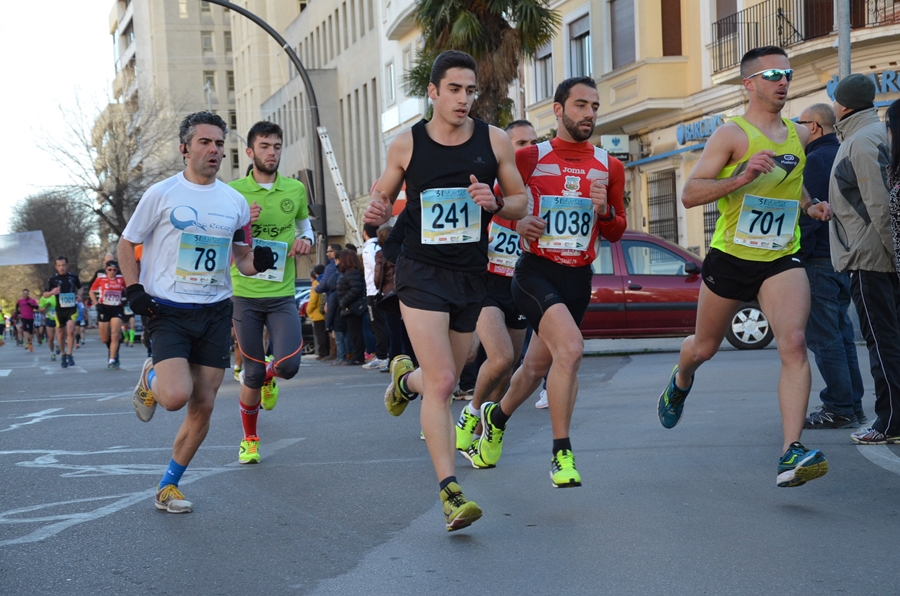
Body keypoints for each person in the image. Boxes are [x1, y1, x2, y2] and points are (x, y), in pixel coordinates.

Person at [364, 49, 527, 532]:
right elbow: (381, 198)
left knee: (446, 377)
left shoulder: (494, 141)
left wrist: (496, 201)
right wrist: (377, 212)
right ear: (433, 92)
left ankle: (401, 380)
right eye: (453, 89)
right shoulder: (406, 145)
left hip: (469, 275)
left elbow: (520, 201)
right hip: (420, 270)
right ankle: (451, 492)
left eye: (470, 90)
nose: (463, 99)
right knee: (441, 384)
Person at [656, 46, 832, 488]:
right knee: (704, 348)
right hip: (732, 258)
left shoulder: (798, 134)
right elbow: (691, 194)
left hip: (780, 256)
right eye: (773, 74)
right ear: (748, 83)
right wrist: (741, 177)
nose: (783, 81)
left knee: (793, 343)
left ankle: (791, 452)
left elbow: (792, 187)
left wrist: (810, 207)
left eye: (788, 74)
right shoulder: (731, 134)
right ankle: (681, 379)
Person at [463, 78, 626, 489]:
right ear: (558, 110)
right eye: (580, 105)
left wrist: (605, 212)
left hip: (578, 278)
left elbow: (618, 231)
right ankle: (561, 454)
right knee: (570, 350)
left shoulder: (611, 165)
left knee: (536, 366)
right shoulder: (531, 157)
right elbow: (494, 205)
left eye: (594, 106)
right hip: (535, 272)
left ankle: (495, 419)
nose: (589, 113)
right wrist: (518, 222)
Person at [117, 111, 274, 513]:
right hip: (166, 309)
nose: (214, 150)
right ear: (185, 148)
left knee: (203, 403)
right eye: (205, 142)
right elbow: (126, 243)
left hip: (215, 310)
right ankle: (151, 377)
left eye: (220, 144)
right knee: (174, 397)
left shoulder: (235, 203)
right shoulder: (161, 194)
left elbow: (241, 260)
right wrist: (134, 290)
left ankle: (169, 486)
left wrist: (261, 259)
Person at [229, 120, 312, 464]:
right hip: (244, 293)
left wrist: (308, 240)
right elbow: (220, 238)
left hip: (281, 293)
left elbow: (304, 225)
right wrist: (240, 220)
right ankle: (250, 439)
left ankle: (270, 378)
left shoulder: (294, 189)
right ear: (250, 152)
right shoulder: (232, 192)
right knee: (249, 372)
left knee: (289, 365)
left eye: (277, 146)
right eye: (264, 146)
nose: (271, 152)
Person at [455, 120, 537, 455]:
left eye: (533, 142)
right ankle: (469, 414)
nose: (527, 149)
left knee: (507, 370)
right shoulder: (486, 185)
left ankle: (481, 433)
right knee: (499, 357)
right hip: (484, 284)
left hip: (518, 284)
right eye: (520, 143)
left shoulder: (539, 189)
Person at [829, 75, 900, 445]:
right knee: (889, 340)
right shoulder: (868, 135)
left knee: (883, 343)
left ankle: (890, 423)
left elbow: (879, 205)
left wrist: (895, 255)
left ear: (842, 105)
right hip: (877, 254)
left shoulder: (861, 140)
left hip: (873, 259)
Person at [795, 103, 866, 428]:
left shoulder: (814, 160)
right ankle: (852, 404)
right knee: (841, 334)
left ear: (813, 127)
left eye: (800, 124)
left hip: (819, 260)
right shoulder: (843, 153)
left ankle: (839, 406)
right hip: (842, 257)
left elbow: (811, 214)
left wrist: (801, 257)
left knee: (824, 337)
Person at [44, 256, 82, 368]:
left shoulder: (73, 277)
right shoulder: (52, 279)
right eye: (59, 265)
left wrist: (79, 295)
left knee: (70, 331)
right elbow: (45, 294)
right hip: (59, 310)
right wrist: (52, 292)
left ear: (67, 265)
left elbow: (80, 288)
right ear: (56, 266)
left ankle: (70, 354)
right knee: (60, 334)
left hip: (71, 308)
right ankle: (63, 354)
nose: (62, 268)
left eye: (63, 265)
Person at [361, 223, 390, 370]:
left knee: (377, 325)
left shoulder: (368, 249)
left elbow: (376, 269)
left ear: (365, 232)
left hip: (374, 292)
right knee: (383, 324)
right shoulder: (378, 247)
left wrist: (377, 287)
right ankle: (385, 355)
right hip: (382, 291)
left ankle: (382, 356)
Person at [90, 259, 127, 369]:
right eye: (109, 269)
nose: (112, 272)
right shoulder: (100, 279)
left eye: (114, 270)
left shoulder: (121, 279)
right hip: (104, 308)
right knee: (105, 339)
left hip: (117, 308)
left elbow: (129, 289)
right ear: (106, 270)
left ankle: (113, 358)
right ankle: (111, 350)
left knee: (115, 333)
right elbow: (91, 291)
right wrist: (96, 304)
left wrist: (126, 298)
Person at [336, 249, 366, 365]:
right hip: (350, 307)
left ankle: (358, 357)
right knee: (354, 333)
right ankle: (357, 355)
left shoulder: (351, 273)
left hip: (352, 307)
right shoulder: (351, 272)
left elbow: (355, 289)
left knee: (356, 334)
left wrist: (344, 302)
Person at [308, 264, 328, 359]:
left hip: (317, 314)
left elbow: (313, 300)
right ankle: (327, 352)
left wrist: (308, 310)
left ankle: (322, 353)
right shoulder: (324, 281)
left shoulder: (315, 284)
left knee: (320, 335)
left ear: (315, 275)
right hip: (324, 313)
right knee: (325, 334)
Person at [37, 292, 59, 361]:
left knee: (59, 335)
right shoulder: (44, 298)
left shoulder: (58, 296)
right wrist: (46, 306)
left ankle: (58, 345)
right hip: (49, 319)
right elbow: (40, 310)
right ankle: (52, 353)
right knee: (51, 338)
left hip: (58, 319)